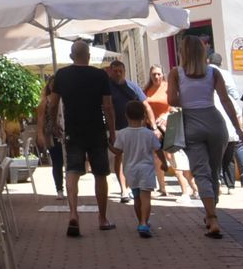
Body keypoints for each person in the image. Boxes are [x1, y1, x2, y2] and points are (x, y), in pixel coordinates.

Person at [168, 36, 243, 238]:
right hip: (215, 122)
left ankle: (211, 217)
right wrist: (238, 129)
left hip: (191, 123)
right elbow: (225, 100)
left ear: (183, 52)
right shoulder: (213, 72)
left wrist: (187, 98)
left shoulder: (176, 73)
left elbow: (172, 100)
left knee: (201, 173)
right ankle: (212, 212)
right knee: (214, 171)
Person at [38, 40, 116, 235]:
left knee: (72, 171)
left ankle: (73, 213)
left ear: (72, 57)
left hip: (73, 130)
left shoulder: (62, 75)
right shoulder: (100, 75)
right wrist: (112, 131)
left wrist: (53, 123)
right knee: (100, 174)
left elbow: (53, 103)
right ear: (88, 56)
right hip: (96, 130)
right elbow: (107, 106)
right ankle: (102, 218)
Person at [208, 52, 243, 192]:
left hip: (215, 127)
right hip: (230, 123)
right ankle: (240, 179)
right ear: (221, 63)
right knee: (231, 154)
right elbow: (234, 95)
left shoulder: (204, 76)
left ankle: (220, 181)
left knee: (218, 156)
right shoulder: (225, 75)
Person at [106, 59, 155, 204]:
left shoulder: (132, 86)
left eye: (120, 71)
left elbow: (146, 105)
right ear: (110, 72)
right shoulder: (107, 87)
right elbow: (107, 108)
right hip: (117, 128)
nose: (118, 73)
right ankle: (124, 189)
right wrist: (111, 132)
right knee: (119, 157)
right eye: (115, 71)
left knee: (136, 157)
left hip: (136, 128)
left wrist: (153, 126)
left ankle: (135, 186)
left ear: (124, 71)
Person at [110, 100, 161, 237]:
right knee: (146, 198)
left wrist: (108, 145)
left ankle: (141, 222)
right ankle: (144, 222)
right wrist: (164, 163)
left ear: (126, 116)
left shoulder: (122, 134)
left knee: (137, 198)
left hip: (130, 170)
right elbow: (158, 149)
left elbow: (117, 152)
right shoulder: (149, 134)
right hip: (146, 169)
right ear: (144, 116)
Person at [142, 65, 172, 198]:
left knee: (171, 156)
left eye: (158, 74)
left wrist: (166, 116)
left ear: (162, 74)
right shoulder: (146, 89)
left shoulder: (168, 87)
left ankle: (189, 188)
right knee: (156, 157)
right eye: (154, 74)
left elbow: (175, 105)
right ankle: (162, 188)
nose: (156, 76)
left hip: (167, 126)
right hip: (151, 127)